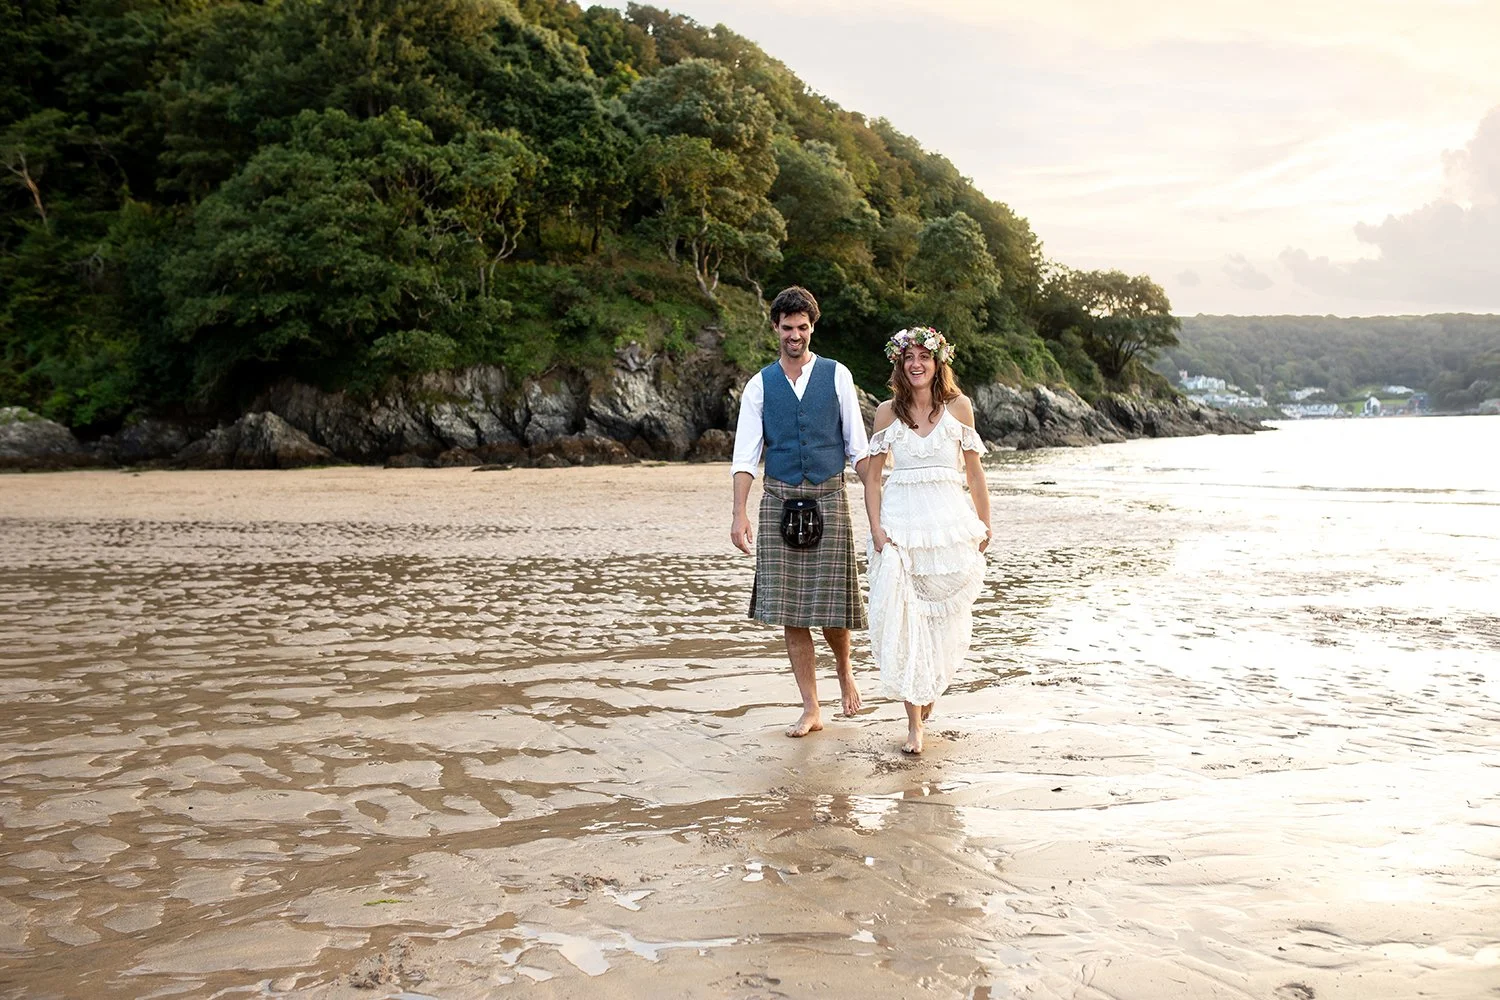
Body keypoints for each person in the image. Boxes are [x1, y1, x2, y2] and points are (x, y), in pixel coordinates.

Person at [731, 286, 871, 738]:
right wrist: (739, 514)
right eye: (788, 327)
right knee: (793, 613)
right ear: (776, 328)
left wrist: (883, 509)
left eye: (803, 327)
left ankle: (845, 670)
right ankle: (811, 707)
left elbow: (858, 448)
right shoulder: (759, 384)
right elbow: (745, 456)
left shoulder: (837, 375)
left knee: (833, 609)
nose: (795, 335)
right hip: (778, 501)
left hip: (829, 496)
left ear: (813, 327)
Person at [860, 327, 991, 754]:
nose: (916, 363)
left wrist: (983, 525)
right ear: (899, 363)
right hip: (900, 528)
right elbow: (874, 479)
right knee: (906, 619)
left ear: (937, 362)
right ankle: (914, 723)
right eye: (908, 356)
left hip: (947, 528)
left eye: (924, 356)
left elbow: (974, 473)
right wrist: (877, 529)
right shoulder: (886, 413)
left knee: (941, 621)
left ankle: (928, 687)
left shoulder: (960, 408)